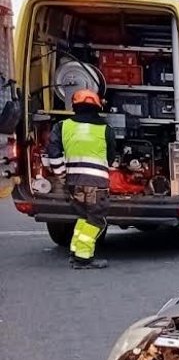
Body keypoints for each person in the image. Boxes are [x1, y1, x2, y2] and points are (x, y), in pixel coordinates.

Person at [44, 89, 116, 269]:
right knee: (97, 220)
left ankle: (75, 253)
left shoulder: (62, 126)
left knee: (83, 217)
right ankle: (83, 258)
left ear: (74, 106)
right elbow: (111, 157)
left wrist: (62, 175)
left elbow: (53, 153)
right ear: (98, 106)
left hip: (73, 183)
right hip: (97, 184)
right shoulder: (106, 129)